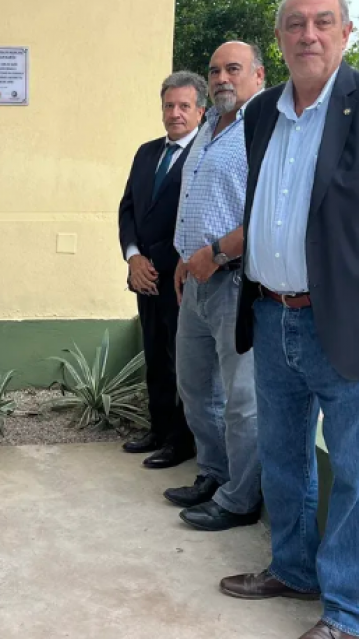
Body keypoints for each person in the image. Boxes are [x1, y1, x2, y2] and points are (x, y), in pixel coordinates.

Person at [219, 0, 359, 637]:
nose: (308, 34)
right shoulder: (261, 111)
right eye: (295, 22)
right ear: (279, 36)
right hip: (270, 316)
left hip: (348, 326)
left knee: (357, 472)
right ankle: (293, 569)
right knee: (284, 460)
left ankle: (347, 614)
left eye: (323, 21)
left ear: (347, 31)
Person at [161, 42, 265, 532]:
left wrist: (216, 253)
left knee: (242, 399)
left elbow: (266, 214)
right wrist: (186, 256)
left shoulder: (262, 130)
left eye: (234, 69)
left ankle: (242, 499)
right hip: (195, 281)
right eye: (216, 70)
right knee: (195, 386)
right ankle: (214, 473)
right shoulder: (207, 128)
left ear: (258, 76)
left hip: (234, 282)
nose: (222, 77)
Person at [117, 71, 205, 469]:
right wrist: (134, 257)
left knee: (182, 361)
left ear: (200, 110)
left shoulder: (205, 154)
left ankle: (181, 441)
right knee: (154, 353)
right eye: (169, 106)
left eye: (184, 106)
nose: (175, 114)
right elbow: (129, 209)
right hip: (145, 277)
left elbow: (200, 218)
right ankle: (158, 428)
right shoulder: (146, 152)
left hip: (182, 278)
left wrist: (167, 264)